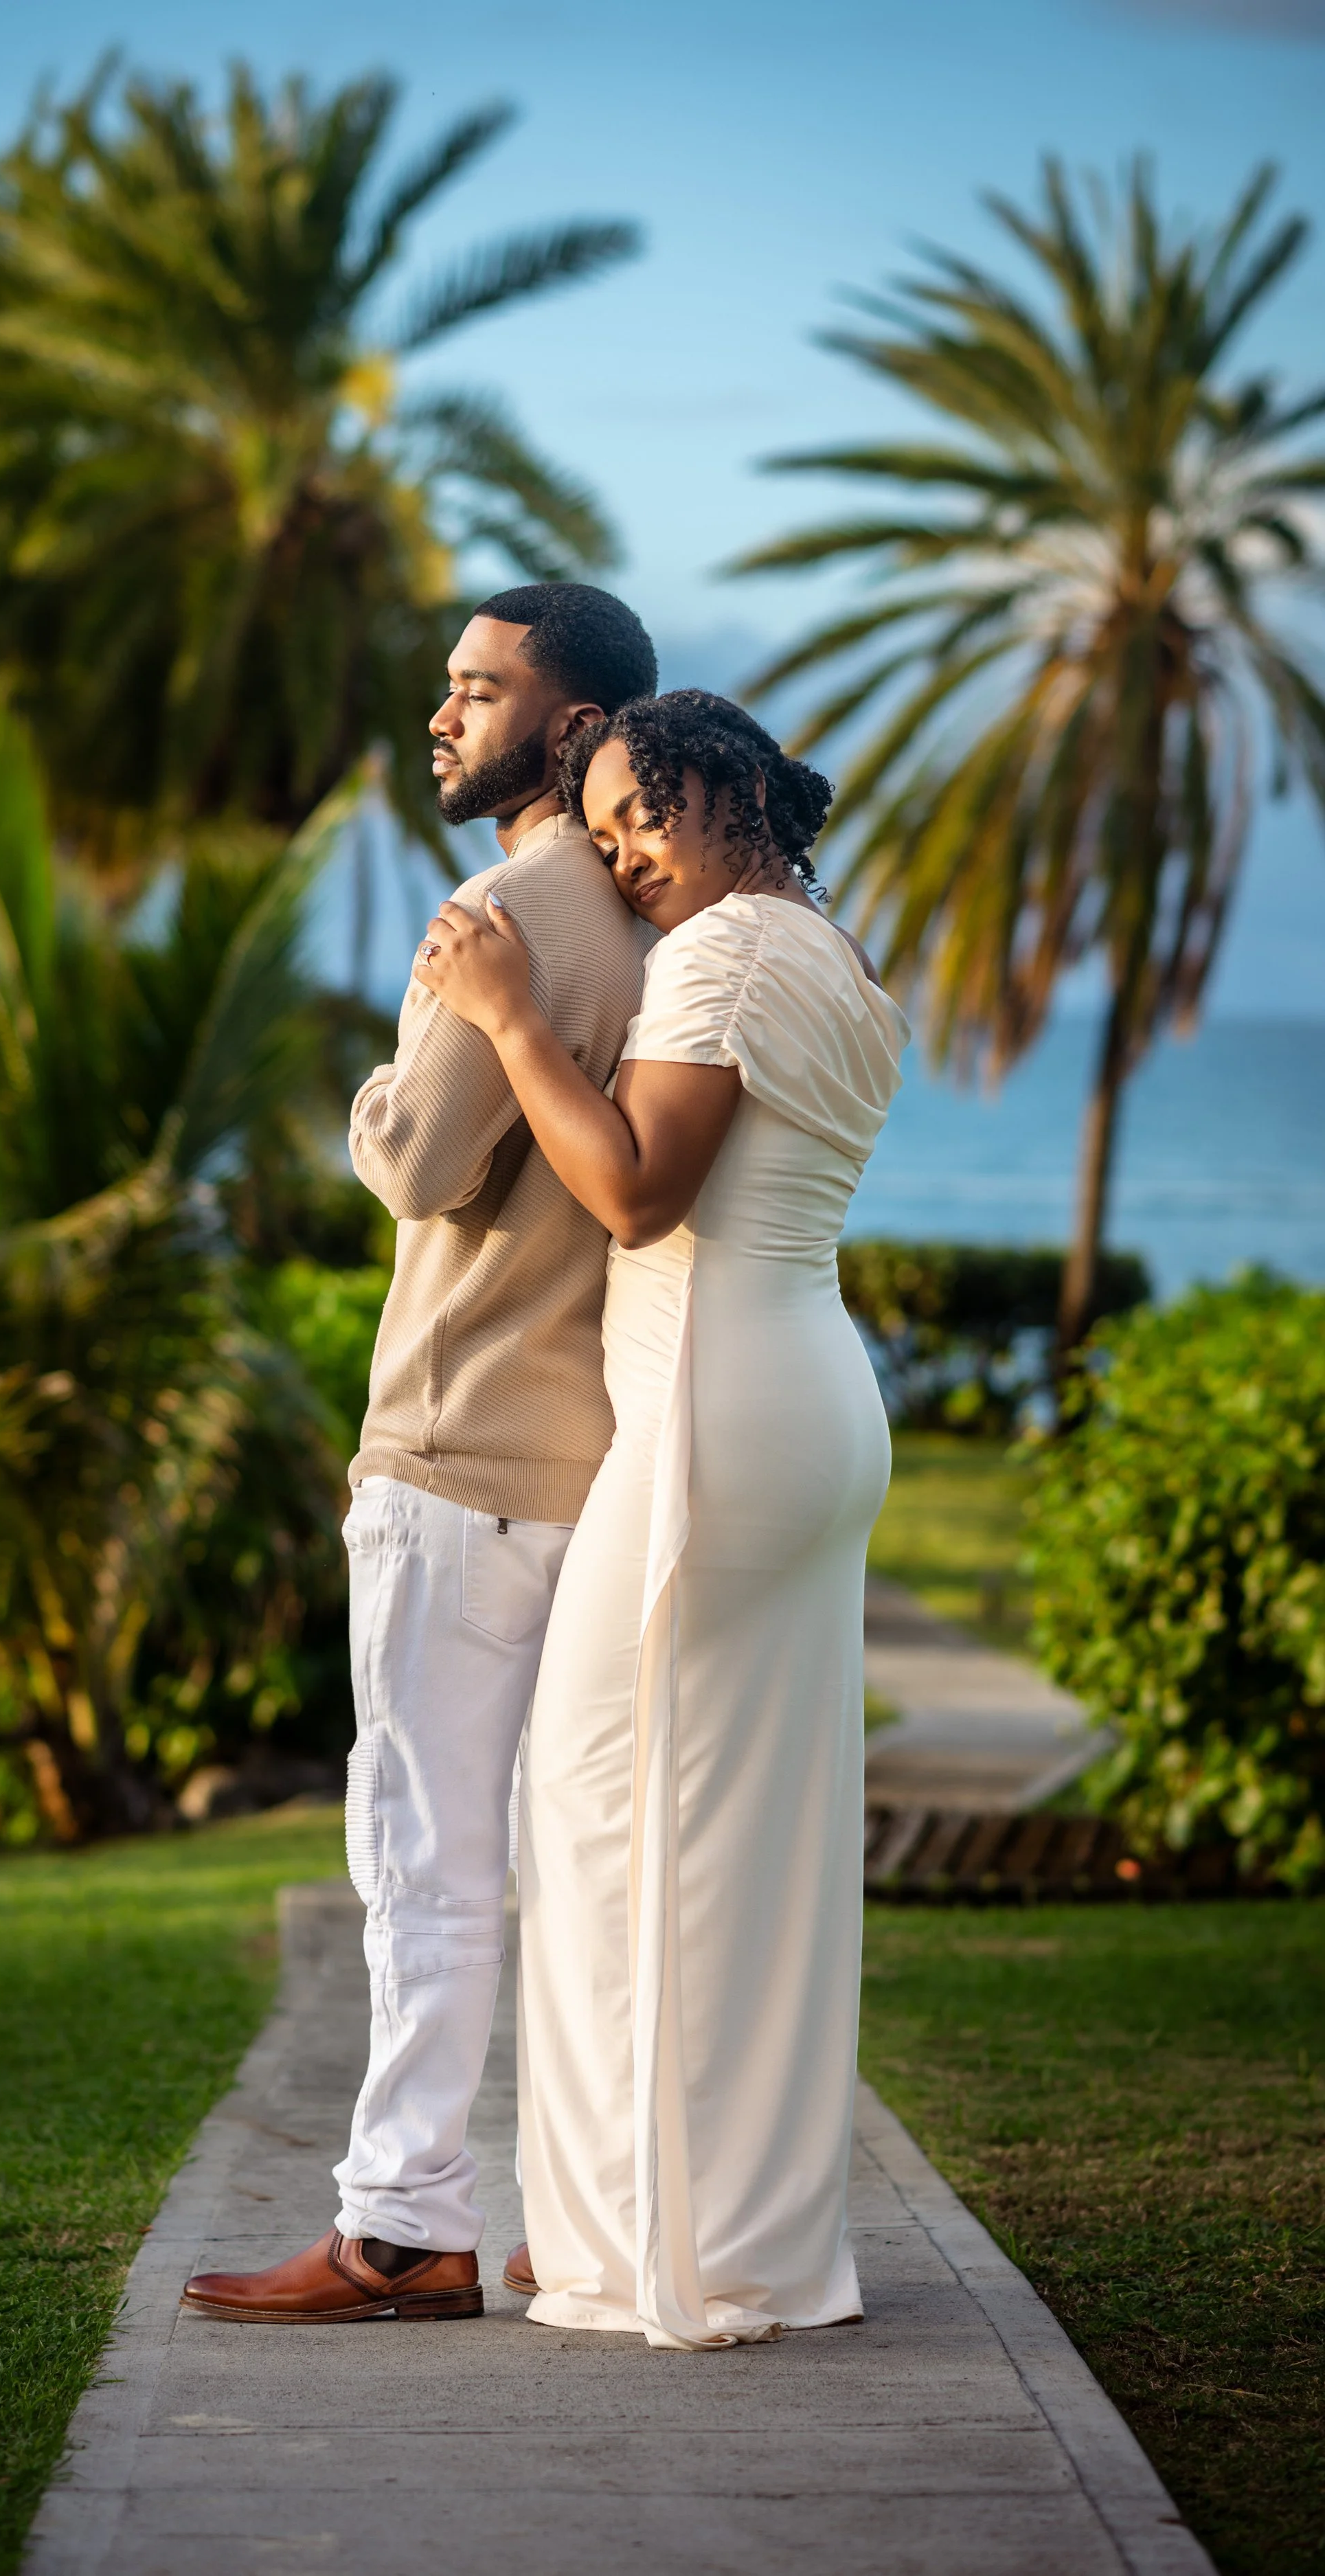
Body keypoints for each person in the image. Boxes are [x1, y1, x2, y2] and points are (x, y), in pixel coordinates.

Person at [410, 688, 909, 2351]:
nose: (622, 854)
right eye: (605, 827)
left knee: (605, 1807)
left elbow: (632, 1187)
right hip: (805, 1400)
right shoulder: (830, 958)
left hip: (715, 1418)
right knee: (749, 1836)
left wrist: (501, 1015)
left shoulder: (719, 957)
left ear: (731, 790)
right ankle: (743, 2240)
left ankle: (641, 2247)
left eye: (642, 813)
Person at [183, 583, 659, 2326]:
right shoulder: (631, 915)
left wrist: (373, 1092)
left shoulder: (506, 910)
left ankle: (400, 2228)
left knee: (420, 1861)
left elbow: (415, 1163)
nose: (442, 718)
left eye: (480, 689)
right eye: (444, 687)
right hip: (582, 1457)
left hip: (455, 1452)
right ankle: (568, 2217)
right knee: (551, 1867)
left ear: (577, 720)